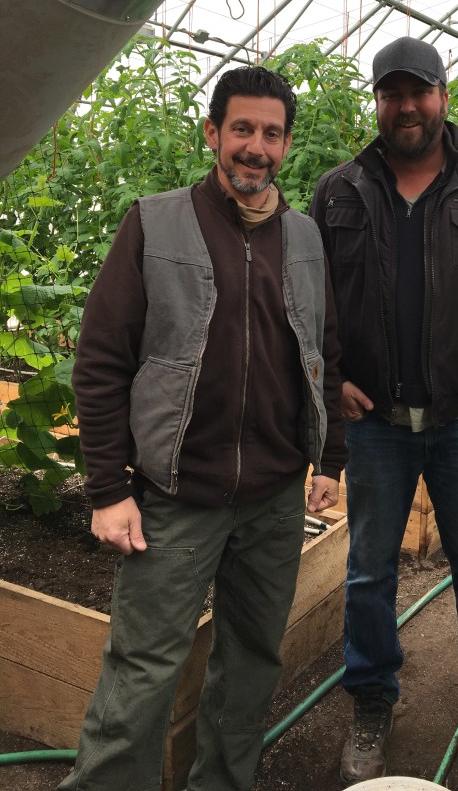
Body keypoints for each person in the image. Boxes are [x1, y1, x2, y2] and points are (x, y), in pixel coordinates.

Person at [60, 65, 346, 791]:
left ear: (286, 145)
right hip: (178, 496)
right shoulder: (155, 223)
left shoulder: (304, 237)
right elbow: (101, 361)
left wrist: (328, 459)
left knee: (251, 663)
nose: (256, 147)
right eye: (242, 128)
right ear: (213, 133)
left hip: (273, 499)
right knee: (143, 670)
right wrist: (107, 490)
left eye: (272, 133)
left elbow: (325, 352)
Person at [310, 36, 458, 790]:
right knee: (368, 572)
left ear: (445, 97)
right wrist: (333, 383)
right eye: (392, 94)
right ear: (378, 103)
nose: (406, 107)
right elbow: (308, 303)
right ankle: (372, 701)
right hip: (375, 424)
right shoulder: (339, 192)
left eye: (419, 92)